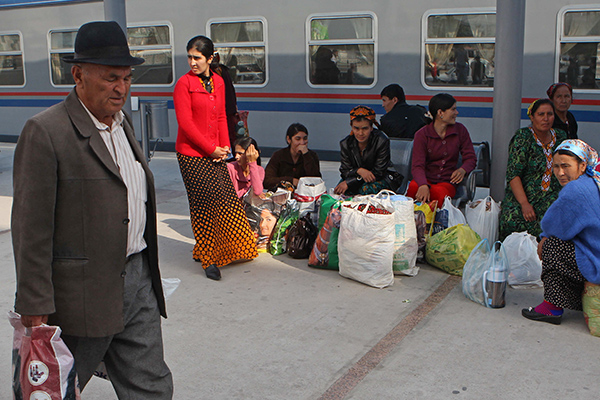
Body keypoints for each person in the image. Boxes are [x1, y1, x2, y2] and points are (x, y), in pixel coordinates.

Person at [11, 21, 173, 397]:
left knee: (152, 386)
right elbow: (31, 228)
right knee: (56, 389)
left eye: (128, 78)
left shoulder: (121, 124)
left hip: (137, 282)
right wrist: (35, 304)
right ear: (78, 75)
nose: (122, 88)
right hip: (79, 297)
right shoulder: (46, 132)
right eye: (111, 78)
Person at [174, 35, 257, 281]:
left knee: (227, 199)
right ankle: (210, 259)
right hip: (190, 154)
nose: (192, 62)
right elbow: (185, 124)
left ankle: (223, 248)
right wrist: (210, 148)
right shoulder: (183, 84)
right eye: (189, 57)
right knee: (204, 205)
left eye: (197, 58)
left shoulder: (219, 82)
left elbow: (222, 116)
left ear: (210, 58)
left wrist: (224, 145)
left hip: (215, 151)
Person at [522, 140, 600, 325]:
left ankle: (551, 308)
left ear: (582, 165)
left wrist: (545, 237)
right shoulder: (594, 181)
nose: (560, 173)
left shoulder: (576, 189)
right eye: (556, 166)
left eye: (566, 166)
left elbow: (552, 225)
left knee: (552, 246)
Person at [499, 99, 568, 241]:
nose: (546, 118)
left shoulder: (561, 137)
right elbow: (513, 174)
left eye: (550, 114)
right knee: (513, 220)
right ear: (532, 117)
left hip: (552, 195)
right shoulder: (523, 137)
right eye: (541, 114)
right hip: (524, 195)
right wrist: (524, 204)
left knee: (555, 219)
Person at [406, 93, 477, 205]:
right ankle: (414, 219)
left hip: (447, 181)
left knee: (439, 193)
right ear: (440, 113)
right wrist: (423, 184)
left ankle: (435, 221)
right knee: (413, 188)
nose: (456, 113)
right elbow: (417, 165)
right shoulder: (422, 134)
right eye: (453, 109)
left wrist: (462, 170)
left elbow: (471, 158)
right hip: (425, 179)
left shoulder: (460, 130)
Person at [334, 105, 397, 195]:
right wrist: (359, 171)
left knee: (365, 189)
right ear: (351, 126)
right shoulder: (345, 143)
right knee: (339, 191)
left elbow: (379, 172)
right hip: (356, 177)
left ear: (371, 127)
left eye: (365, 128)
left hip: (381, 178)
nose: (360, 133)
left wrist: (351, 181)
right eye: (356, 128)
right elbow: (345, 171)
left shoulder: (381, 140)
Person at [263, 123, 322, 191]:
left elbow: (317, 180)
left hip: (304, 195)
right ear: (289, 139)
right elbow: (267, 181)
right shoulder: (279, 155)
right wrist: (291, 181)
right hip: (281, 195)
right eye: (298, 139)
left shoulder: (312, 156)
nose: (302, 142)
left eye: (305, 139)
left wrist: (306, 155)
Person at [211, 51, 238, 147]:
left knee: (228, 133)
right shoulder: (224, 70)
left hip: (224, 109)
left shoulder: (214, 73)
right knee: (231, 133)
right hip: (228, 108)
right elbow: (231, 90)